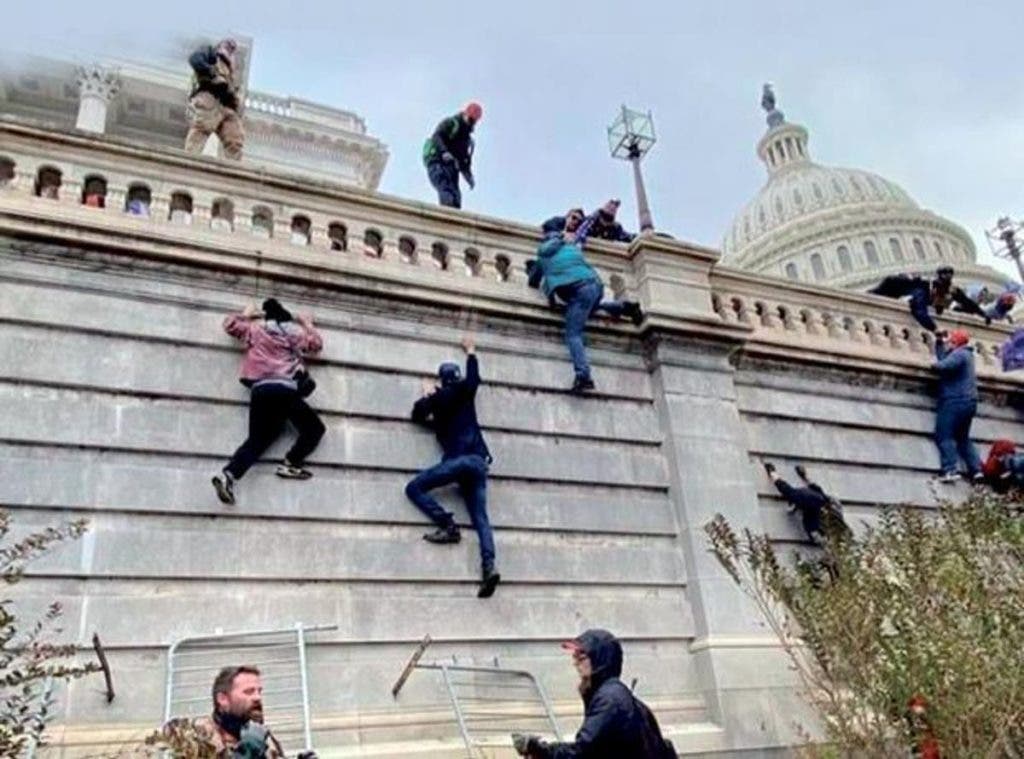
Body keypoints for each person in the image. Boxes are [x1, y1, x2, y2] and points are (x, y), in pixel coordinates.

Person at [406, 335, 500, 599]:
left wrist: (428, 395)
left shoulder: (439, 398)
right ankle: (488, 566)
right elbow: (474, 380)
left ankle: (448, 524)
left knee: (414, 488)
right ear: (456, 376)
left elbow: (416, 415)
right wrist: (471, 351)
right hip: (479, 463)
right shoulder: (465, 392)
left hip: (457, 462)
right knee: (481, 518)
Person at [212, 299, 325, 505]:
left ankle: (228, 475)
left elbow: (229, 325)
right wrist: (307, 323)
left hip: (260, 390)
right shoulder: (293, 333)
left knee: (258, 440)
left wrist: (246, 314)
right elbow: (316, 344)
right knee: (314, 429)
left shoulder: (256, 331)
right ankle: (291, 462)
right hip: (284, 390)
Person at [511, 629, 676, 758]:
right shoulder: (613, 693)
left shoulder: (609, 700)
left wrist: (540, 749)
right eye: (574, 657)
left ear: (600, 660)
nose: (575, 663)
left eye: (581, 657)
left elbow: (582, 752)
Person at [530, 209, 644, 393]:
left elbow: (534, 281)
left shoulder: (544, 253)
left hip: (580, 290)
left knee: (573, 334)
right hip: (594, 285)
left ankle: (583, 376)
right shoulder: (571, 247)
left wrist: (536, 278)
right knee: (588, 309)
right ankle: (625, 307)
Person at [186, 666, 286, 758]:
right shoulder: (193, 737)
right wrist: (248, 753)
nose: (257, 698)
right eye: (249, 692)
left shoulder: (265, 739)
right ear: (223, 699)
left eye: (259, 691)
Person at [870, 266, 989, 332]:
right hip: (893, 289)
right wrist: (934, 328)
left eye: (950, 275)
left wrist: (983, 314)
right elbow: (918, 310)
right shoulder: (924, 287)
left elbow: (967, 302)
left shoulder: (952, 290)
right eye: (945, 274)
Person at [932, 328, 983, 484]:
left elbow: (944, 366)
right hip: (969, 402)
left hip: (954, 400)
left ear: (955, 341)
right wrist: (939, 343)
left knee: (944, 435)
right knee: (963, 437)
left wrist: (933, 366)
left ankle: (949, 470)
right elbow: (945, 359)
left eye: (950, 340)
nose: (948, 342)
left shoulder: (960, 354)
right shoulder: (967, 354)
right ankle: (976, 470)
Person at [762, 462, 851, 545]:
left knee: (809, 492)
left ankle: (796, 477)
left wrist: (772, 472)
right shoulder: (825, 506)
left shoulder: (830, 512)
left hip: (817, 505)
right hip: (812, 503)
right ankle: (773, 472)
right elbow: (814, 535)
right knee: (789, 491)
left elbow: (782, 485)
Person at [185, 38, 244, 160]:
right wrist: (212, 73)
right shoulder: (211, 52)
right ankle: (188, 161)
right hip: (210, 96)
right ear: (220, 45)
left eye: (232, 48)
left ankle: (233, 169)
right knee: (201, 130)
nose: (230, 48)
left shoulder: (230, 68)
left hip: (226, 105)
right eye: (228, 44)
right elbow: (195, 59)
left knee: (234, 137)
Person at [422, 102, 482, 209]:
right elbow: (437, 136)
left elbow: (463, 160)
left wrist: (468, 176)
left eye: (474, 121)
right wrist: (444, 152)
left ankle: (453, 214)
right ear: (465, 114)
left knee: (456, 196)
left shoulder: (466, 139)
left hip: (451, 166)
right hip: (438, 162)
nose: (471, 123)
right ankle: (446, 216)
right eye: (470, 119)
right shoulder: (451, 123)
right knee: (446, 189)